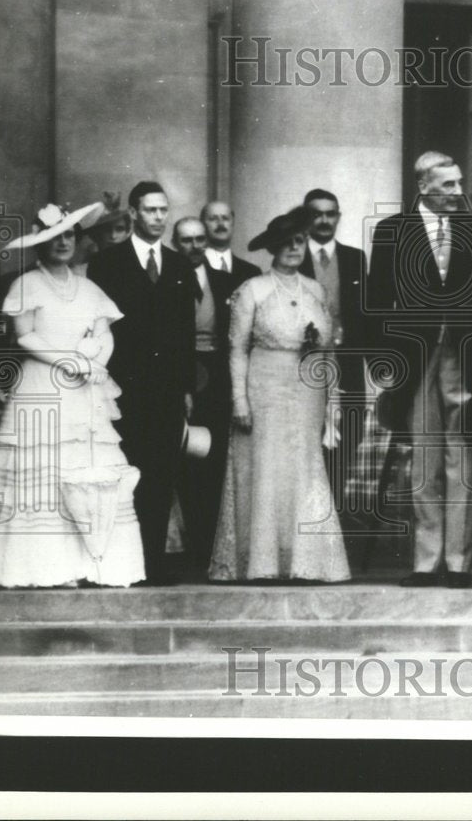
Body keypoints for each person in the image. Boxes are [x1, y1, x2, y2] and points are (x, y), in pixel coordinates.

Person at [0, 203, 145, 587]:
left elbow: (105, 332)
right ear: (40, 244)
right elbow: (25, 335)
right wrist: (68, 361)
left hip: (84, 390)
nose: (63, 242)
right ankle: (49, 568)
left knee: (87, 469)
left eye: (69, 235)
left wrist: (95, 361)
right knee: (46, 471)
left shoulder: (89, 287)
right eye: (54, 237)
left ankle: (93, 563)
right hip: (42, 383)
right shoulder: (27, 284)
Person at [367, 151, 472, 588]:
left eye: (460, 183)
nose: (458, 192)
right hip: (416, 359)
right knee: (424, 462)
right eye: (448, 185)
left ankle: (459, 563)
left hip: (464, 360)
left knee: (460, 460)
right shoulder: (393, 232)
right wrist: (386, 365)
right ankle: (426, 562)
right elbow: (376, 301)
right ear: (423, 185)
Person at [209, 207, 350, 583]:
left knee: (304, 468)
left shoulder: (316, 290)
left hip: (307, 392)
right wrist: (240, 399)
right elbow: (236, 348)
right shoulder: (252, 289)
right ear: (272, 248)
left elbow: (328, 353)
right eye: (284, 243)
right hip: (264, 388)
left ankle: (307, 562)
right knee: (266, 469)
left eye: (299, 241)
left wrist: (332, 403)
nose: (293, 248)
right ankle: (262, 563)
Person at [88, 181, 197, 585]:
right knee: (126, 472)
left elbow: (185, 332)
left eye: (163, 210)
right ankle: (123, 564)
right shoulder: (108, 263)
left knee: (161, 474)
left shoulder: (180, 264)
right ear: (133, 213)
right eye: (150, 210)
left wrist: (186, 389)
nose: (158, 217)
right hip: (125, 387)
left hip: (167, 390)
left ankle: (154, 562)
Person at [298, 188, 370, 519]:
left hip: (349, 364)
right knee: (310, 439)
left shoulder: (355, 258)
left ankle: (335, 516)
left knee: (349, 434)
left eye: (331, 213)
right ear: (306, 218)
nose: (325, 220)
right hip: (307, 366)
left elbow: (366, 315)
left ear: (338, 217)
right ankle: (310, 515)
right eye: (317, 214)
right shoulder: (294, 257)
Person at [172, 216, 239, 574]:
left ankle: (210, 553)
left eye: (200, 240)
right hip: (182, 377)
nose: (194, 246)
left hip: (217, 379)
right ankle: (186, 552)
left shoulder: (225, 280)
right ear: (175, 243)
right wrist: (182, 385)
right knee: (184, 461)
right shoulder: (167, 279)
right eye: (186, 240)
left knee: (214, 463)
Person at [200, 200, 262, 286]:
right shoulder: (193, 268)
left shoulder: (252, 272)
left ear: (232, 223)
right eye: (213, 219)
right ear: (202, 224)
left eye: (225, 218)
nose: (221, 224)